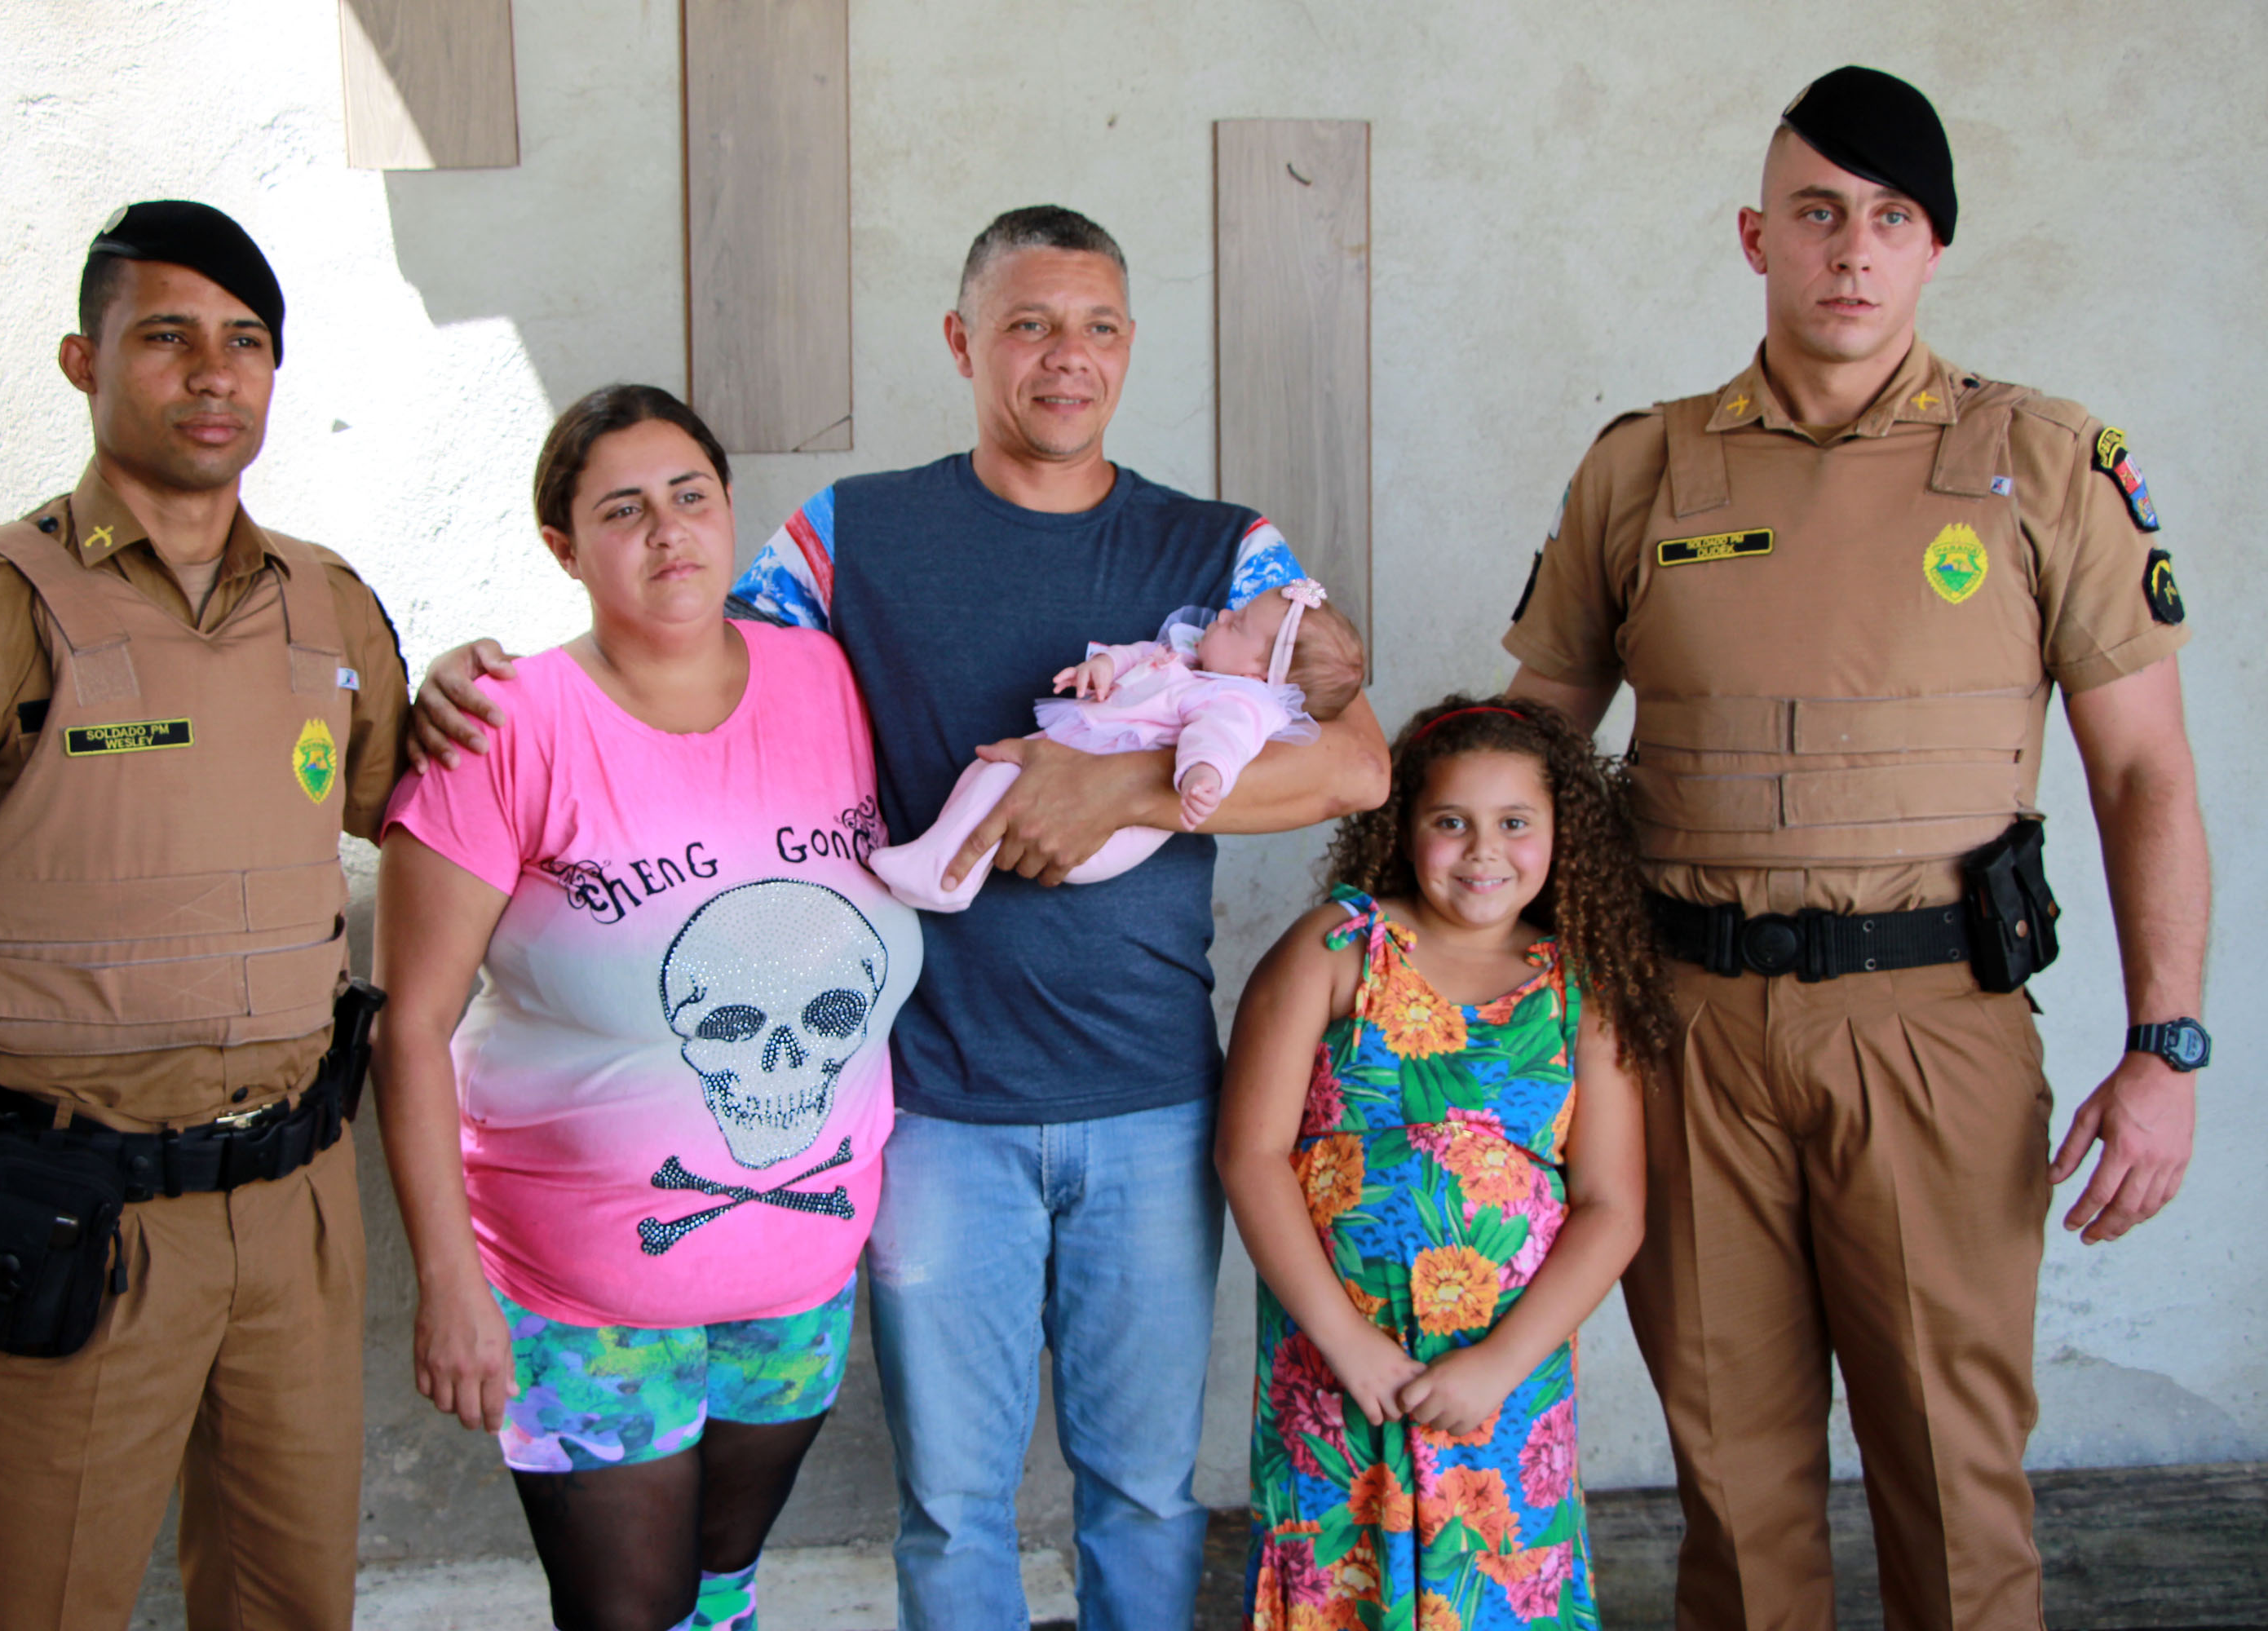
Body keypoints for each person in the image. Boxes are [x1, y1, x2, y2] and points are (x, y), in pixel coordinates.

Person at [409, 206, 1391, 1630]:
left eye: (1100, 326)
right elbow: (688, 659)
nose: (1069, 359)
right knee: (953, 1509)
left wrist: (1118, 788)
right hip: (934, 1105)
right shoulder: (849, 536)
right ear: (962, 341)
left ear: (1131, 345)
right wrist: (475, 676)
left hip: (1155, 1099)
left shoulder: (1224, 548)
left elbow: (1356, 763)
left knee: (1146, 1493)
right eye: (1030, 325)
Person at [1505, 67, 2209, 1630]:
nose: (1853, 251)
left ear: (1933, 252)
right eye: (1819, 214)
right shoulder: (1643, 470)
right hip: (1679, 1036)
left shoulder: (2047, 462)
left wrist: (2167, 1047)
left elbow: (2147, 770)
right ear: (1756, 235)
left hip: (1930, 1026)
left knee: (1955, 1484)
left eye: (1892, 220)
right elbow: (1525, 751)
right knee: (1734, 1489)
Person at [0, 201, 409, 1630]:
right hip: (78, 1211)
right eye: (167, 337)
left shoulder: (331, 611)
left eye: (246, 343)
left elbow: (423, 821)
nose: (213, 375)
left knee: (291, 1604)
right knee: (34, 1605)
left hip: (297, 1211)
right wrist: (36, 1070)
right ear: (84, 362)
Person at [374, 384, 922, 1631]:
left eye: (692, 498)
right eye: (623, 510)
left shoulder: (831, 680)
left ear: (733, 516)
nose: (669, 532)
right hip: (578, 1294)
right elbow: (408, 1027)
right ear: (564, 549)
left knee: (721, 1591)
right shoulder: (507, 724)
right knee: (629, 1613)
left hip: (800, 1276)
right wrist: (446, 1280)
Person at [1218, 696, 1669, 1628]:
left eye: (1515, 823)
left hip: (1501, 1384)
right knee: (1339, 1593)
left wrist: (1499, 1364)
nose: (1482, 849)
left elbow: (1613, 1205)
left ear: (1561, 834)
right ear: (1404, 825)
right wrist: (1348, 1344)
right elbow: (1249, 1154)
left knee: (1493, 1596)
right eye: (1450, 821)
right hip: (1336, 1368)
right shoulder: (1336, 949)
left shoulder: (1580, 987)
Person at [870, 577, 1365, 910]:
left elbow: (1218, 740)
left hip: (1107, 831)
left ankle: (942, 876)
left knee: (998, 779)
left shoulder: (1236, 701)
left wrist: (1202, 776)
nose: (1224, 612)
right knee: (986, 771)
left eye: (1237, 624)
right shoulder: (1194, 657)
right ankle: (935, 858)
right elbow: (1139, 655)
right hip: (1073, 767)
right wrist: (1102, 667)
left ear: (1257, 674)